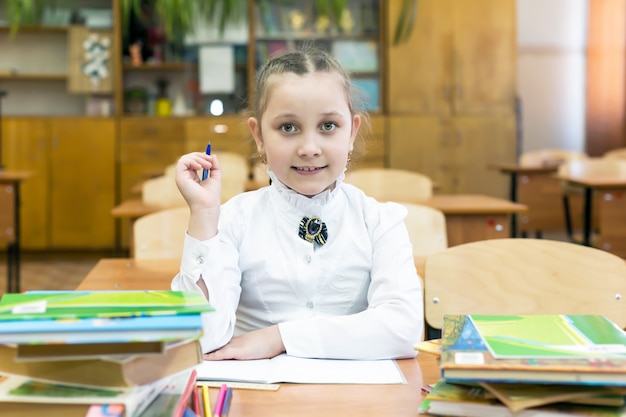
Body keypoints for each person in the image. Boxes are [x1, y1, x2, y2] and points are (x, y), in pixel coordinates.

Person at [172, 47, 423, 361]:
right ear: (259, 136)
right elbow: (202, 337)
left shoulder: (380, 221)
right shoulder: (233, 220)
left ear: (352, 133)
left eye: (328, 126)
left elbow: (404, 330)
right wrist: (204, 215)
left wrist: (279, 338)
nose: (309, 148)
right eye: (288, 127)